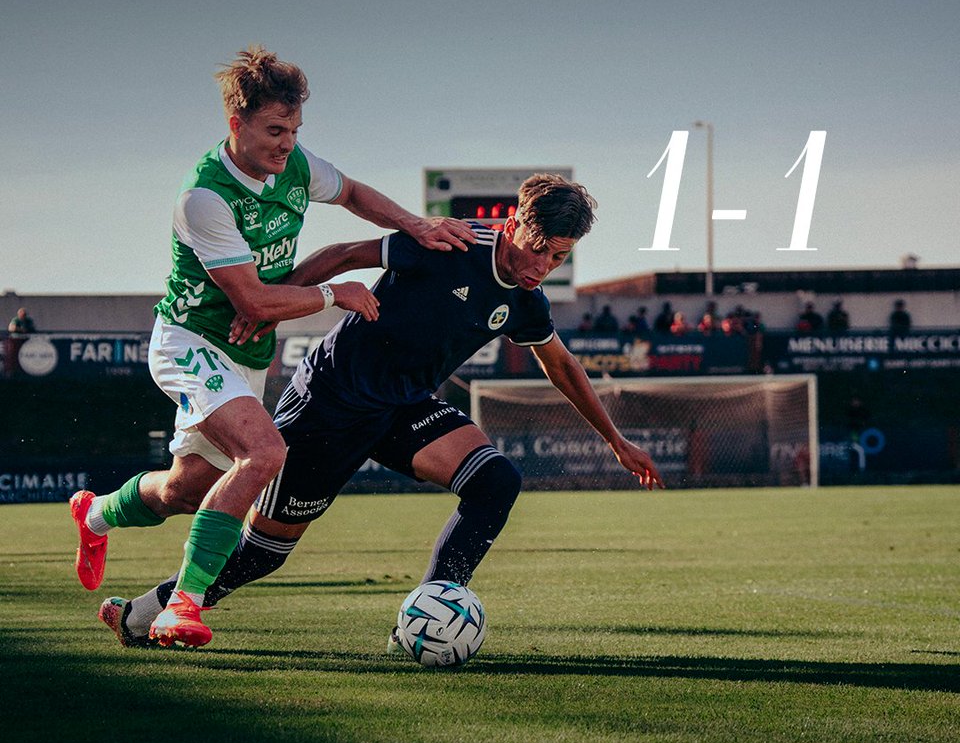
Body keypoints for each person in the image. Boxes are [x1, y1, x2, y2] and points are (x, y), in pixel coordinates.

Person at [100, 174, 663, 650]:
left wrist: (615, 440)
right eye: (537, 248)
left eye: (558, 256)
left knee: (496, 481)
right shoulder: (447, 245)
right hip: (330, 403)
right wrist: (272, 306)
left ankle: (428, 614)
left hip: (405, 409)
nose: (541, 265)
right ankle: (145, 613)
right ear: (513, 222)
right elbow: (339, 255)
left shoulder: (523, 298)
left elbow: (560, 364)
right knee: (263, 553)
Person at [70, 45, 474, 648]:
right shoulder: (203, 198)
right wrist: (334, 294)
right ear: (236, 124)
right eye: (274, 130)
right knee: (263, 454)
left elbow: (355, 193)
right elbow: (254, 303)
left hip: (245, 354)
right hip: (189, 341)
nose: (287, 144)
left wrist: (416, 225)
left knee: (186, 489)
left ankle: (96, 513)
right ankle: (182, 607)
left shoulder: (295, 165)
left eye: (294, 131)